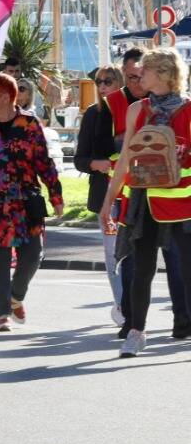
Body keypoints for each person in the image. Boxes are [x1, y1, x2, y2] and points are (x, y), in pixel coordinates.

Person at [101, 48, 191, 356]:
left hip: (183, 202)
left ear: (164, 74)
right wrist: (107, 203)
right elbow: (125, 159)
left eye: (147, 70)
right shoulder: (136, 110)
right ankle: (136, 332)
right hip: (144, 202)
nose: (140, 75)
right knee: (142, 269)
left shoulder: (189, 110)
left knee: (188, 269)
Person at [0, 73, 63, 333]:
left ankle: (16, 296)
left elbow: (44, 161)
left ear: (6, 97)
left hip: (25, 203)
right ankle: (3, 313)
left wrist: (56, 194)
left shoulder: (30, 124)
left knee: (32, 255)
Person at [74, 64, 127, 324]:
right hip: (105, 194)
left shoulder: (133, 110)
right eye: (99, 82)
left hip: (132, 194)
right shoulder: (92, 116)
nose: (103, 86)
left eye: (108, 80)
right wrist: (96, 164)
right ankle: (122, 306)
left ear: (120, 82)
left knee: (133, 255)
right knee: (111, 254)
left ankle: (130, 304)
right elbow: (80, 159)